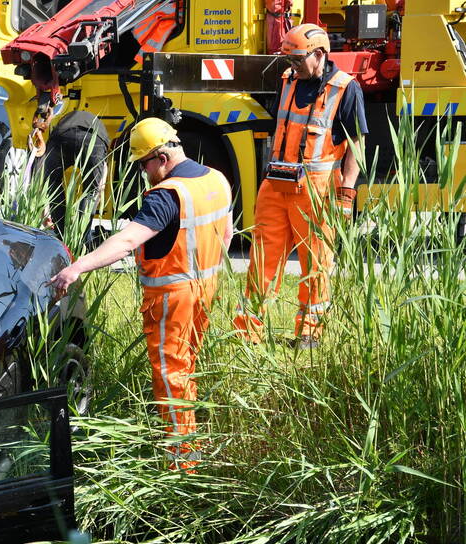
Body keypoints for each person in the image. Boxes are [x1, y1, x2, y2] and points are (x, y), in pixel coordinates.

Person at [49, 118, 232, 468]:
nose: (144, 172)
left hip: (172, 298)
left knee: (170, 374)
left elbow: (127, 240)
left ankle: (182, 460)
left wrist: (77, 267)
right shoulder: (216, 180)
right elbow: (226, 236)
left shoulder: (167, 194)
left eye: (143, 163)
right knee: (186, 367)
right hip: (205, 291)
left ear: (161, 157)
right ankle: (191, 439)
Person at [233, 23, 367, 350]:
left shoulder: (345, 88)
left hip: (317, 192)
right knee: (261, 261)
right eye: (288, 60)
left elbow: (357, 144)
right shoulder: (288, 81)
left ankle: (309, 334)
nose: (290, 66)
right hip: (276, 187)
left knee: (316, 264)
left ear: (319, 54)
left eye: (296, 59)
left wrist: (347, 193)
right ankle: (247, 331)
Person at [38, 110, 110, 241]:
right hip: (93, 138)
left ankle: (61, 232)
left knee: (52, 181)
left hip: (62, 134)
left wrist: (44, 214)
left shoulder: (63, 119)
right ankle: (80, 238)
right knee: (92, 191)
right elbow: (100, 186)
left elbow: (44, 177)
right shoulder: (101, 129)